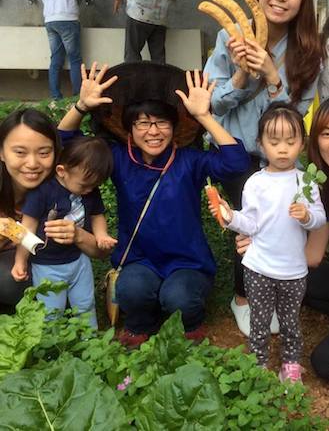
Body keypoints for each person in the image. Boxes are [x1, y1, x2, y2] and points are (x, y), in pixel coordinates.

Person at [57, 61, 250, 347]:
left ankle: (190, 323)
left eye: (161, 122)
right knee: (132, 290)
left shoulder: (189, 161)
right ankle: (140, 324)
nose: (153, 131)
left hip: (187, 261)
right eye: (143, 123)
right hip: (138, 259)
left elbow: (237, 162)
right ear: (130, 129)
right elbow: (66, 142)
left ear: (174, 127)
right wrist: (81, 106)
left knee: (179, 298)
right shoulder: (119, 158)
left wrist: (205, 116)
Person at [204, 0, 321, 338]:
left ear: (303, 0)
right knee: (249, 220)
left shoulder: (306, 50)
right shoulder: (229, 37)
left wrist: (273, 77)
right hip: (235, 149)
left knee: (283, 222)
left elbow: (296, 117)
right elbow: (212, 102)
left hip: (281, 156)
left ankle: (270, 291)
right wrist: (241, 73)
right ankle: (242, 297)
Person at [211, 104, 326, 383]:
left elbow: (320, 218)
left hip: (293, 270)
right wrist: (230, 217)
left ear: (302, 143)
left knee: (290, 321)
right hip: (258, 267)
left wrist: (307, 215)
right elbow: (250, 223)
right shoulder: (255, 182)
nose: (283, 149)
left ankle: (291, 364)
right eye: (274, 142)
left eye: (291, 141)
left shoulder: (306, 181)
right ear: (261, 144)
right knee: (259, 322)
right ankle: (258, 364)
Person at [0, 109, 107, 314]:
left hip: (55, 261)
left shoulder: (70, 183)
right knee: (9, 281)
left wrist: (81, 107)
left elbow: (101, 251)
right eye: (20, 152)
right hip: (16, 261)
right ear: (2, 152)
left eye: (43, 153)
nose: (32, 164)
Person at [11, 137, 116, 329]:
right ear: (62, 171)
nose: (89, 191)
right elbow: (27, 228)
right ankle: (53, 349)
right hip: (46, 264)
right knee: (51, 310)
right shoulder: (43, 192)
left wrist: (101, 235)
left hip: (79, 259)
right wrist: (20, 261)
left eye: (95, 185)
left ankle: (90, 340)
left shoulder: (90, 189)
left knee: (85, 303)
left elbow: (97, 215)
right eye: (84, 185)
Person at [37, 0, 89, 100]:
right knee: (75, 59)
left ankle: (56, 98)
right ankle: (77, 99)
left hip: (50, 19)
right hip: (67, 18)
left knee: (56, 60)